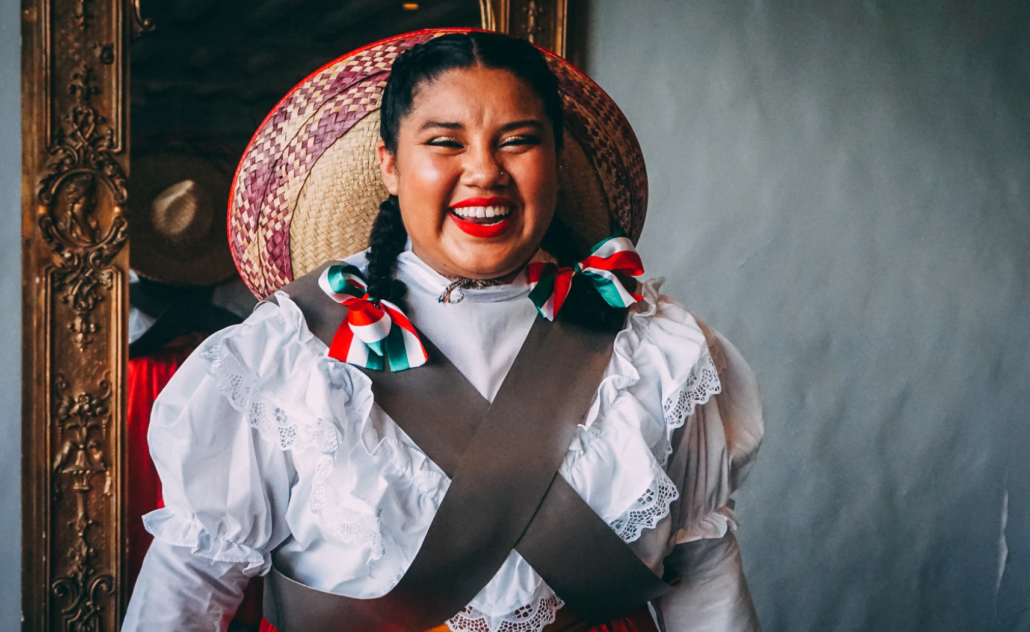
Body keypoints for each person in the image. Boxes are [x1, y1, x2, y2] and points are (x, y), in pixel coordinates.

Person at [123, 29, 764, 632]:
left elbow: (701, 567)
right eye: (445, 142)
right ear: (391, 167)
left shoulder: (654, 345)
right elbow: (195, 574)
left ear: (555, 159)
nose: (484, 171)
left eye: (517, 140)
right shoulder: (290, 350)